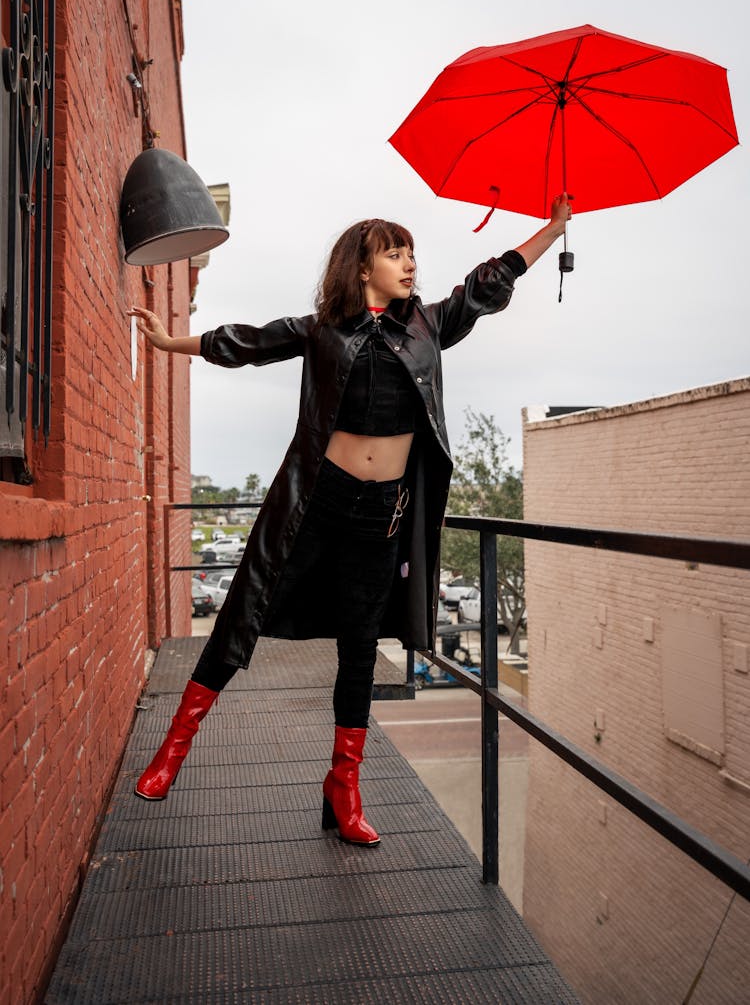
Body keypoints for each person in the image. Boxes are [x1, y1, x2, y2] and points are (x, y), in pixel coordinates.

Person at [127, 194, 571, 846]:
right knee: (241, 615)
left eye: (412, 252)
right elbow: (244, 342)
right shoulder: (321, 330)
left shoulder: (427, 325)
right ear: (362, 267)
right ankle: (174, 748)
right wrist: (171, 342)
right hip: (314, 505)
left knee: (361, 648)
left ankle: (345, 785)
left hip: (381, 516)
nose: (409, 263)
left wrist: (551, 229)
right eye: (396, 253)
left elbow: (488, 283)